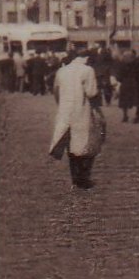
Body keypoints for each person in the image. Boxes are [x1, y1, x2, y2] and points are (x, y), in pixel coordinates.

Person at [49, 48, 103, 190]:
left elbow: (56, 90)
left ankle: (75, 178)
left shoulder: (62, 71)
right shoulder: (88, 70)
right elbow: (92, 92)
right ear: (87, 58)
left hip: (65, 111)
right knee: (85, 144)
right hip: (82, 111)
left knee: (70, 144)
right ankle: (83, 179)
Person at [115, 49, 139, 123]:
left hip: (125, 83)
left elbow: (118, 76)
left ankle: (125, 116)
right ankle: (134, 116)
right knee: (134, 100)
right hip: (134, 83)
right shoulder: (136, 64)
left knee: (124, 101)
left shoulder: (121, 64)